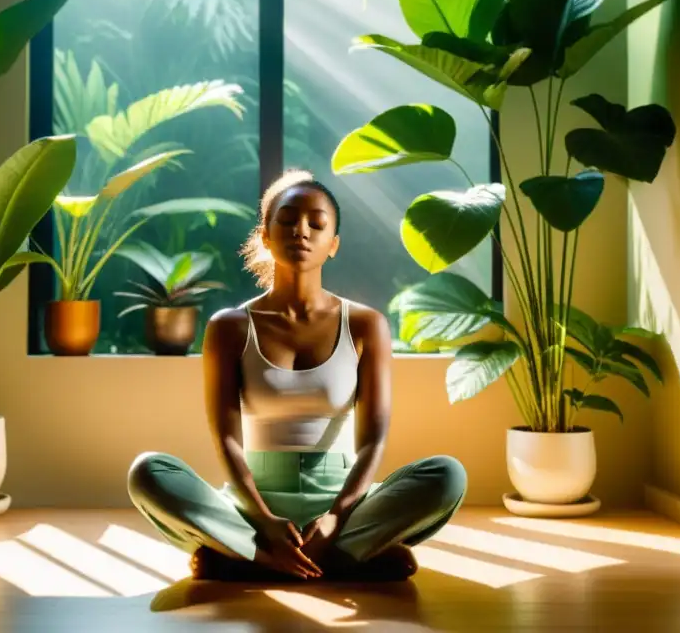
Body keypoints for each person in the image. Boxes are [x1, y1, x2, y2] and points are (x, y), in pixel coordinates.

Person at [127, 169, 467, 582]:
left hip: (344, 500)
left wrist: (336, 517)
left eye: (317, 223)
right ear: (266, 236)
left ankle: (245, 559)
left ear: (334, 244)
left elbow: (373, 438)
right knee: (148, 473)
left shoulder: (365, 324)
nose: (301, 230)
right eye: (287, 220)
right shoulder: (229, 326)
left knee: (447, 475)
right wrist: (265, 520)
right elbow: (226, 437)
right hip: (252, 504)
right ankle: (340, 559)